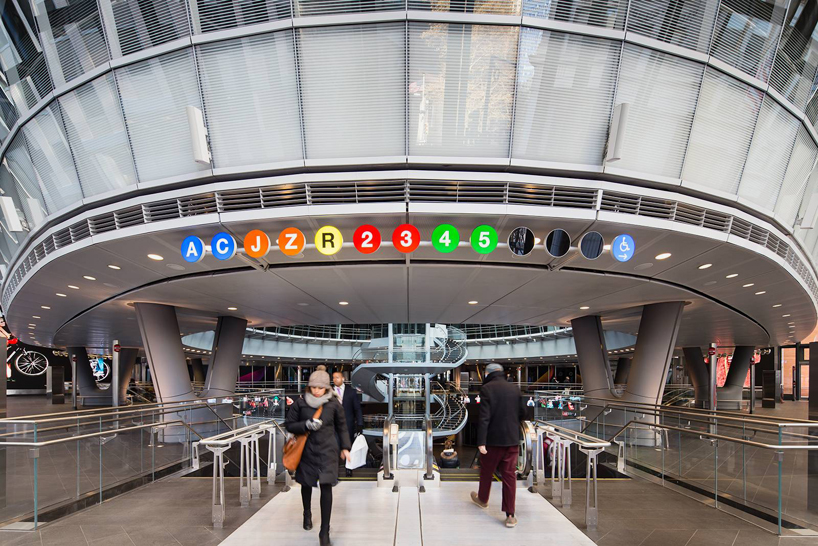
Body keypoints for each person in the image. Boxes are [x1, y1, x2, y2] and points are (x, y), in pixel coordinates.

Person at [286, 368, 351, 546]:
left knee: (326, 487)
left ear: (326, 388)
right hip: (306, 451)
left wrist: (345, 447)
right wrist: (305, 425)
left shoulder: (333, 404)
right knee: (306, 484)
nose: (316, 391)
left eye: (320, 388)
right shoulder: (300, 404)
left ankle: (325, 530)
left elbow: (342, 426)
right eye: (313, 387)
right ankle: (307, 513)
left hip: (327, 451)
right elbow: (289, 425)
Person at [471, 363, 524, 528]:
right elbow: (523, 413)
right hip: (512, 440)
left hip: (493, 441)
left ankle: (483, 499)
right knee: (509, 476)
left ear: (488, 373)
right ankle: (510, 515)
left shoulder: (487, 389)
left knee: (486, 471)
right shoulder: (515, 389)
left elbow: (484, 417)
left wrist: (481, 442)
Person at [332, 371, 363, 476]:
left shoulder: (351, 392)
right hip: (333, 426)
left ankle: (348, 469)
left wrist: (360, 423)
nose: (335, 379)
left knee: (348, 447)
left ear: (343, 379)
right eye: (333, 378)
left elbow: (357, 409)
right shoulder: (329, 392)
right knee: (334, 447)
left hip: (348, 425)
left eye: (337, 377)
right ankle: (334, 471)